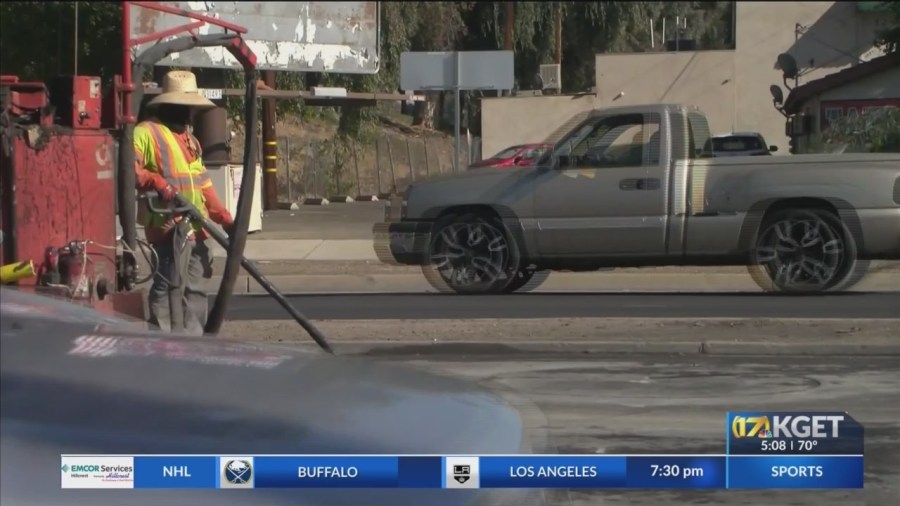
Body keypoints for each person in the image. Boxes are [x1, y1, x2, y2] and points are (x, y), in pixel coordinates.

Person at [133, 70, 234, 335]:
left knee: (196, 289)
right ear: (169, 104)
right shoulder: (146, 133)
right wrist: (156, 182)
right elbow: (129, 170)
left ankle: (192, 342)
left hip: (197, 229)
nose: (188, 114)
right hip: (168, 227)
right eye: (184, 107)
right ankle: (164, 340)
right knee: (167, 286)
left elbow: (204, 187)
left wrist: (225, 219)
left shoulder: (191, 141)